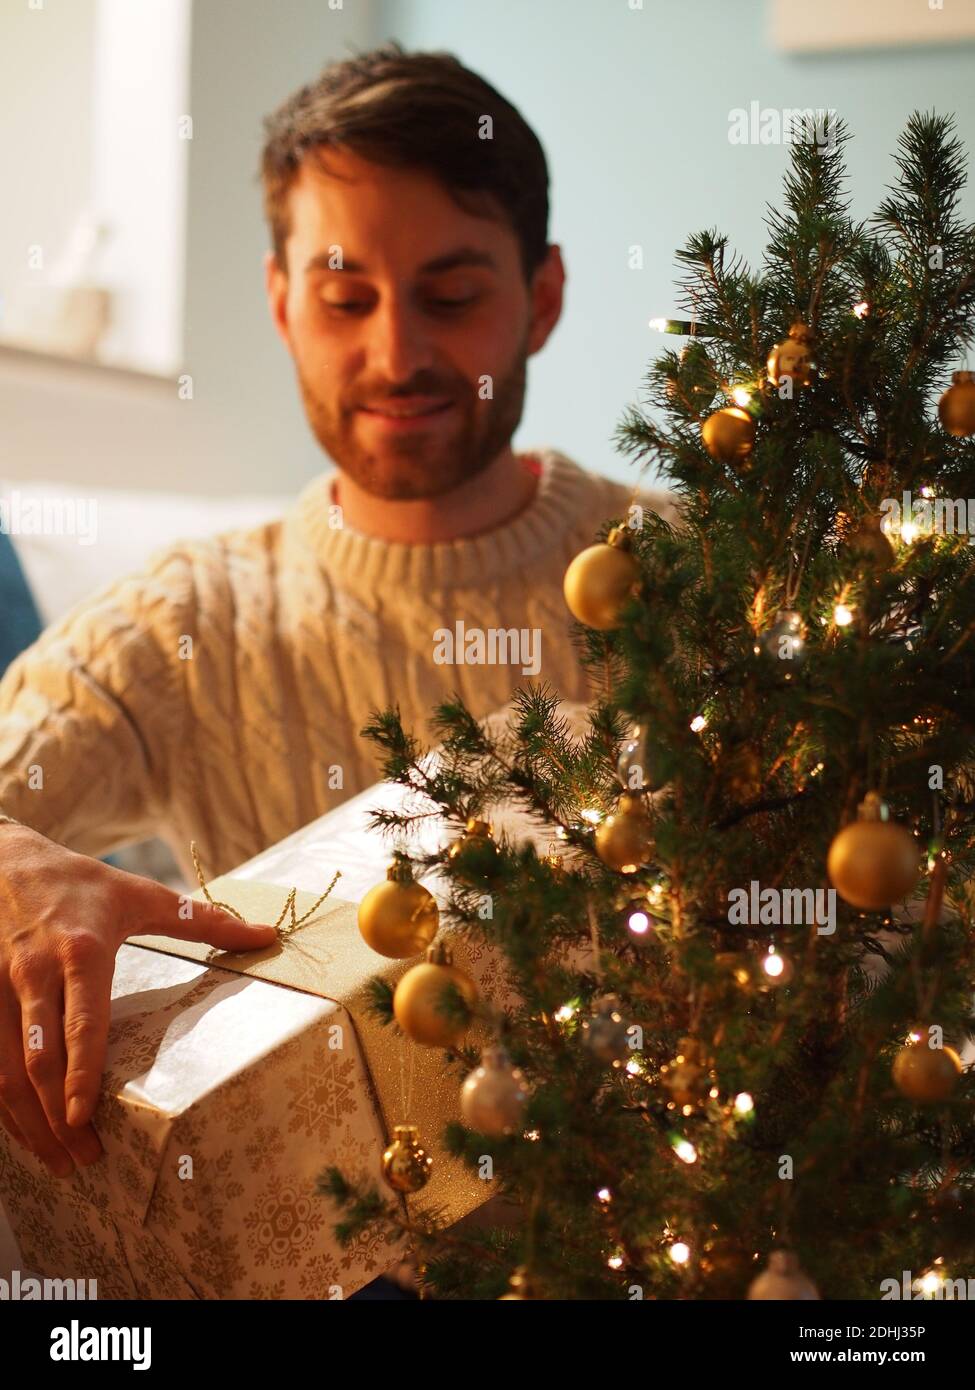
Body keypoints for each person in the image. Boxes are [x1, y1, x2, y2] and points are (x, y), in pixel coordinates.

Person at [0, 44, 672, 1178]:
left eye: (451, 295)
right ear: (279, 302)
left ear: (543, 298)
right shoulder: (185, 618)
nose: (396, 353)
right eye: (344, 295)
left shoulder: (697, 578)